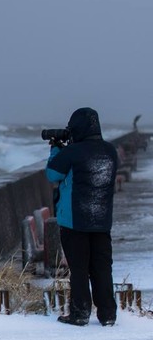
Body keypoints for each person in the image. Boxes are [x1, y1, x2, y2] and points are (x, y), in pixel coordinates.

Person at [46, 107, 119, 326]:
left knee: (79, 269)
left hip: (74, 221)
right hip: (101, 220)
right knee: (102, 268)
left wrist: (55, 149)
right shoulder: (110, 151)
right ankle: (107, 314)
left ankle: (80, 313)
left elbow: (52, 174)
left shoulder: (72, 152)